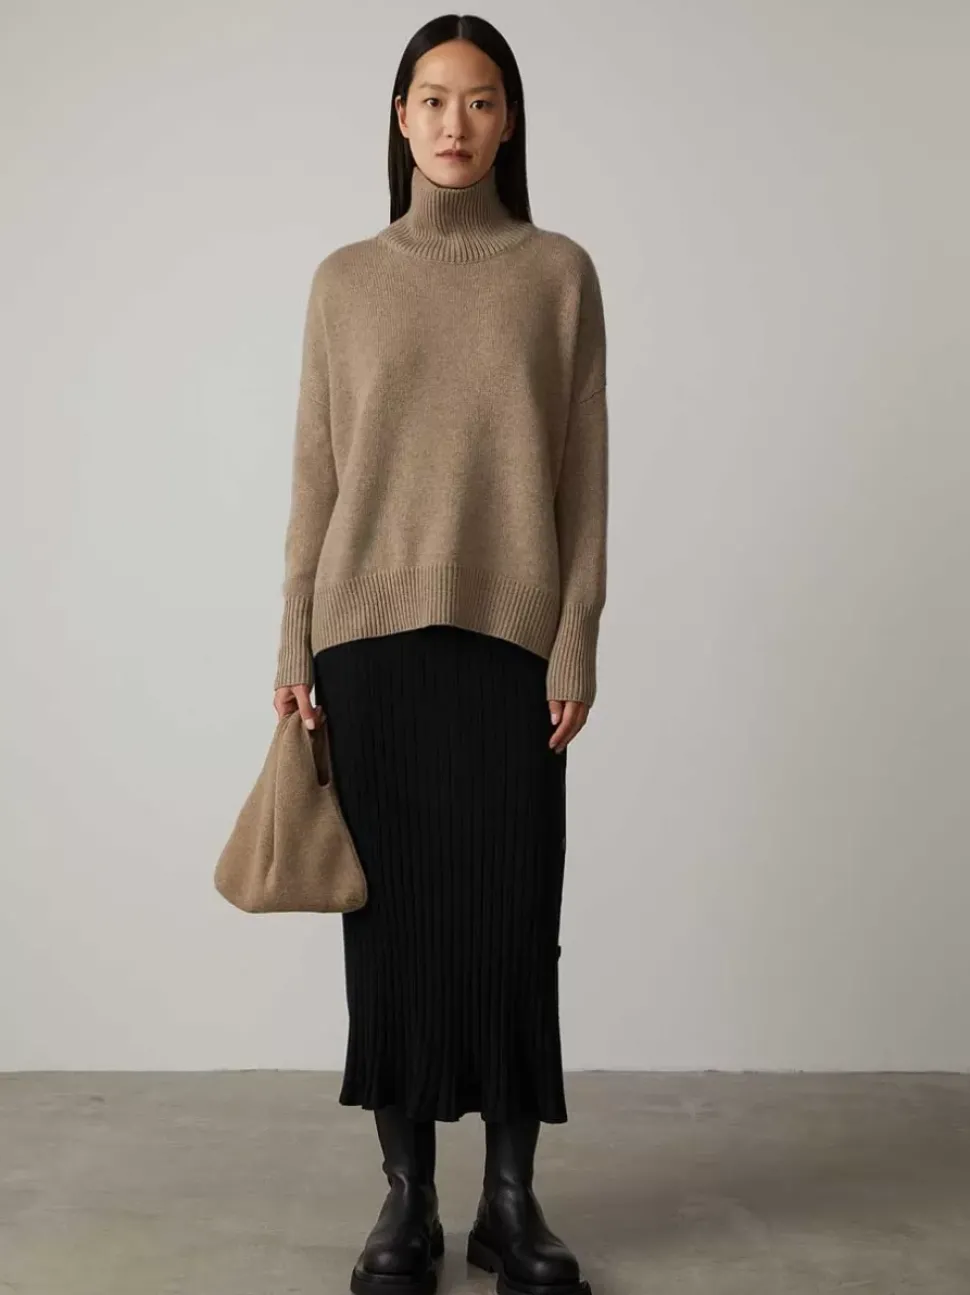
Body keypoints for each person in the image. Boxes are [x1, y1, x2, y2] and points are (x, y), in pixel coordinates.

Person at [272, 15, 607, 1295]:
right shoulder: (344, 281)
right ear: (399, 117)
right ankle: (404, 1200)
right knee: (393, 929)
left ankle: (509, 1204)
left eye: (477, 99)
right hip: (366, 647)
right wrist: (292, 637)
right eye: (430, 98)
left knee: (517, 921)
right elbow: (315, 475)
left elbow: (583, 477)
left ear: (508, 119)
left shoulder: (557, 274)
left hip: (511, 646)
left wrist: (576, 634)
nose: (452, 122)